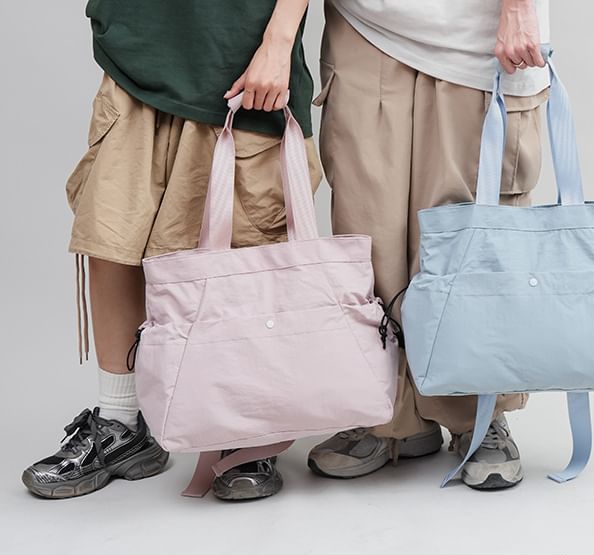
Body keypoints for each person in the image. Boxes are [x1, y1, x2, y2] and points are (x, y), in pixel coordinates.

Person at [22, 0, 321, 501]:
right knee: (114, 237)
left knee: (245, 253)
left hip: (240, 58)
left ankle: (247, 427)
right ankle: (120, 424)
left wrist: (279, 41)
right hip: (137, 51)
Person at [307, 0, 550, 489]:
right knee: (367, 227)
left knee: (468, 237)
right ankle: (386, 415)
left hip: (476, 31)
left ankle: (477, 414)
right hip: (364, 23)